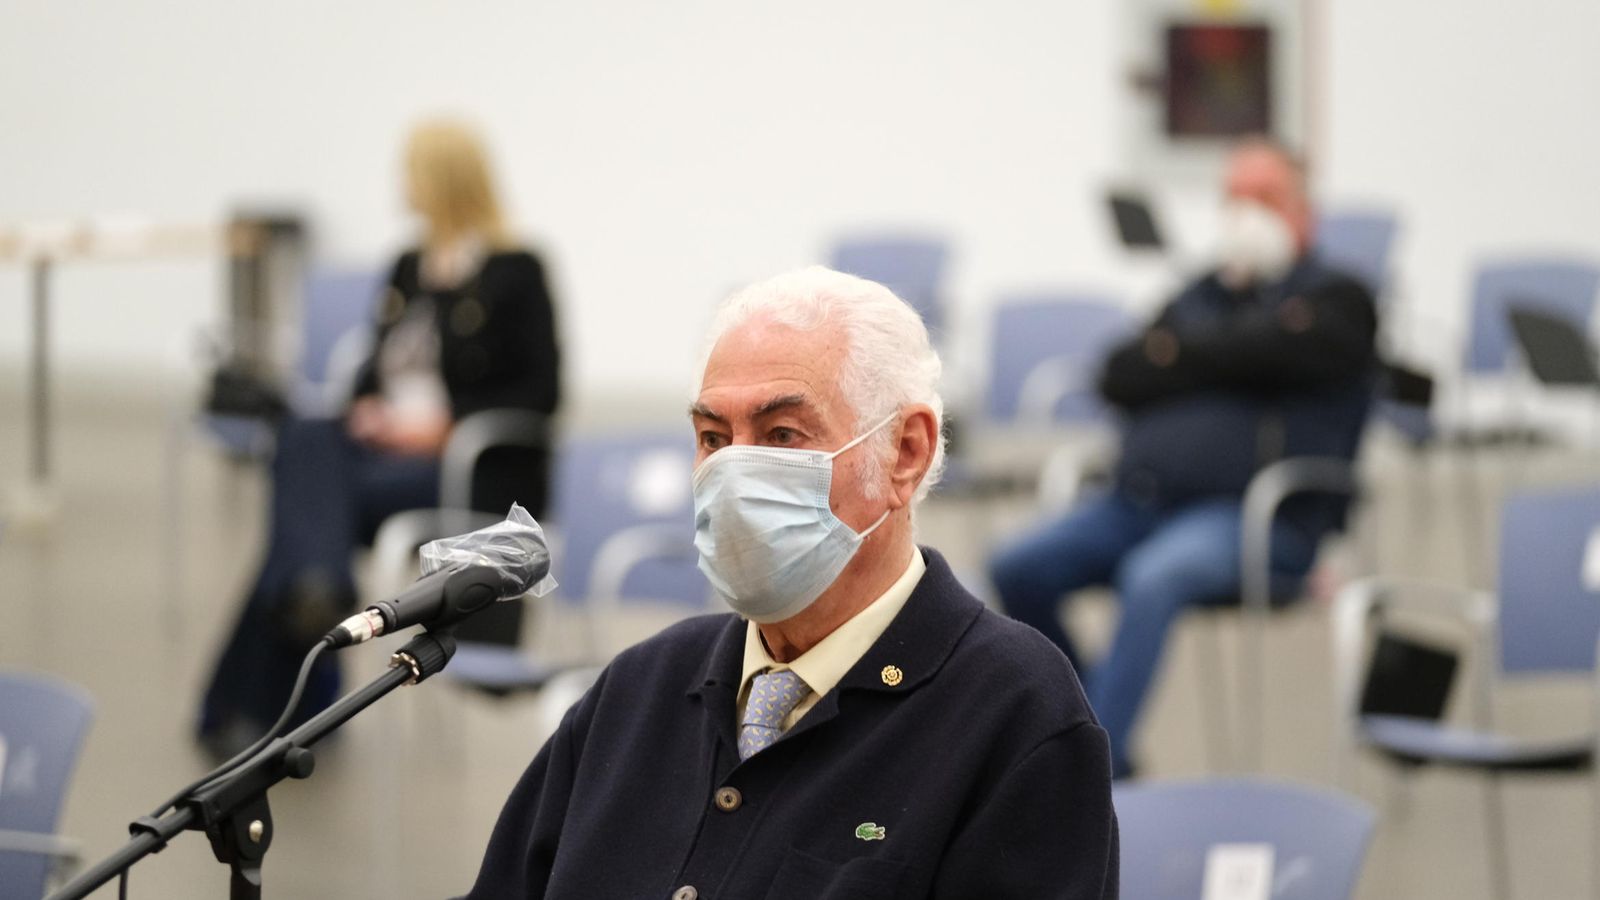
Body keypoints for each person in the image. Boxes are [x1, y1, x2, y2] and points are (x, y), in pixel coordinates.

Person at [462, 268, 1117, 899]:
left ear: (906, 452)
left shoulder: (1015, 714)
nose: (736, 473)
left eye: (782, 435)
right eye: (713, 438)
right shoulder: (635, 693)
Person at [988, 138, 1379, 779]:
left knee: (1154, 577)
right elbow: (1119, 373)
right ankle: (1084, 733)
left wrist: (1185, 354)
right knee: (1019, 566)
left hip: (1256, 521)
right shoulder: (1197, 293)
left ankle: (1086, 774)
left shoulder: (1339, 298)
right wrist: (1236, 350)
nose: (1244, 214)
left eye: (1264, 198)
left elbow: (1288, 351)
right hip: (1137, 504)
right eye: (1234, 198)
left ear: (1302, 211)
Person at [196, 118, 561, 758]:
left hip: (466, 462)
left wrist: (441, 426)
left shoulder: (516, 270)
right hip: (385, 450)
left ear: (445, 179)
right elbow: (374, 367)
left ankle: (255, 695)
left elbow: (541, 391)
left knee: (306, 518)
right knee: (307, 436)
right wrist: (367, 409)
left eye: (413, 171)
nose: (403, 185)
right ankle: (318, 590)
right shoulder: (409, 264)